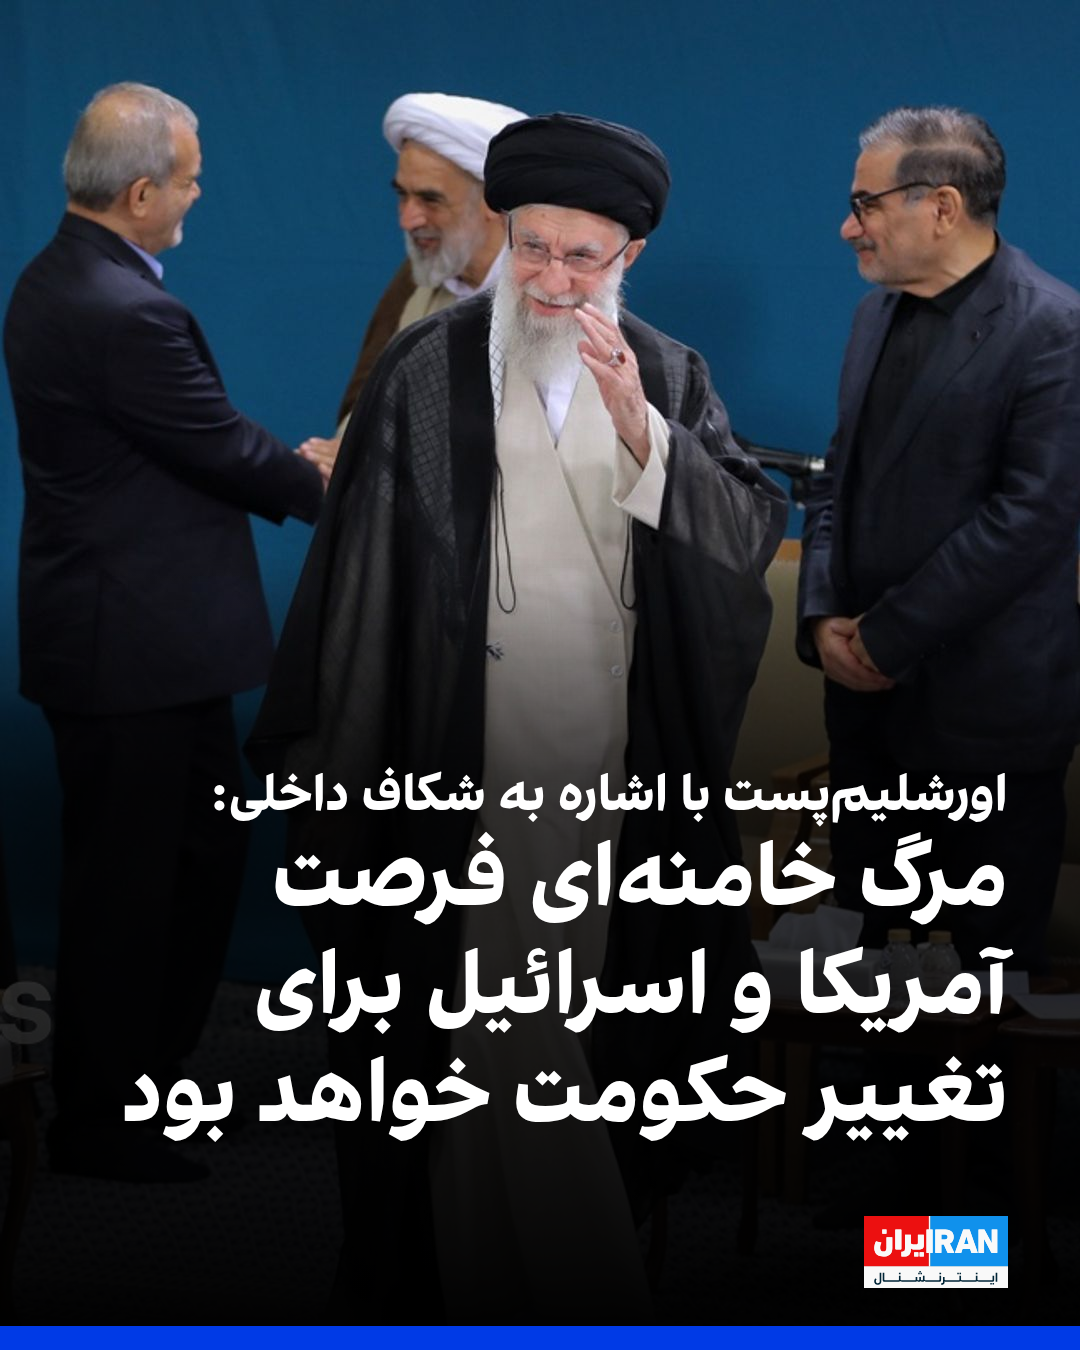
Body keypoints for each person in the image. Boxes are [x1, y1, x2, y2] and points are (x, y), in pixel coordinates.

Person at [250, 111, 786, 1320]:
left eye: (580, 257)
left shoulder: (670, 372)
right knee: (483, 1030)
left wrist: (643, 431)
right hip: (455, 767)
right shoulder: (425, 368)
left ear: (629, 256)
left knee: (565, 1026)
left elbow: (746, 536)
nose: (550, 278)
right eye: (532, 246)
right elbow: (360, 587)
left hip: (605, 769)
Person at [3, 82, 326, 1182]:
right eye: (187, 180)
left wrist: (292, 462)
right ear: (141, 193)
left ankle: (144, 1081)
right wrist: (327, 481)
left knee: (183, 867)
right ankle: (105, 1119)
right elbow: (218, 445)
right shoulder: (125, 309)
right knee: (133, 893)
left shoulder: (56, 275)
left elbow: (185, 437)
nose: (197, 195)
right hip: (132, 651)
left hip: (134, 644)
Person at [798, 106, 1080, 972]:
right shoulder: (871, 316)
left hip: (985, 718)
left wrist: (884, 637)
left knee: (979, 993)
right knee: (860, 983)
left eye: (866, 204)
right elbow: (836, 476)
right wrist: (821, 615)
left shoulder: (1055, 329)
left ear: (944, 207)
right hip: (865, 714)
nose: (849, 226)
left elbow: (1030, 517)